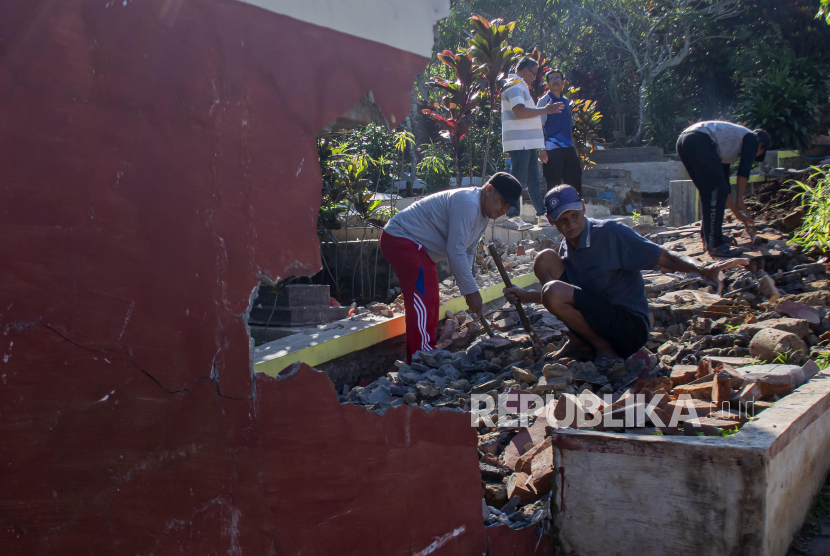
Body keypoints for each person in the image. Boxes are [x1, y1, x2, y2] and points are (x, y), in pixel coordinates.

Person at [503, 185, 748, 362]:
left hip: (628, 328)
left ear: (583, 207)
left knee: (553, 289)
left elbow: (664, 256)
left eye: (574, 216)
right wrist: (525, 295)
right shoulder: (568, 245)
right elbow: (571, 294)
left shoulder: (611, 233)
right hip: (599, 315)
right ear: (551, 221)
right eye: (562, 220)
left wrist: (702, 268)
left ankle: (603, 349)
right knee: (545, 260)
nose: (570, 224)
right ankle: (580, 340)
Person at [381, 173, 521, 363]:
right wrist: (471, 291)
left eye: (508, 206)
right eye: (502, 202)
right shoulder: (469, 204)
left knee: (430, 295)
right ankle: (421, 356)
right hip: (401, 238)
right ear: (489, 190)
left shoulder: (483, 216)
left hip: (419, 247)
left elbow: (468, 250)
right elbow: (455, 250)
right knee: (423, 295)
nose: (504, 209)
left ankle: (425, 350)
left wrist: (469, 288)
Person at [676, 121, 771, 257]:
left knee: (711, 191)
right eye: (758, 153)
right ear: (761, 146)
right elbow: (743, 171)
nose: (753, 156)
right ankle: (715, 244)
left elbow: (725, 188)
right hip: (699, 140)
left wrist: (737, 214)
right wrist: (740, 201)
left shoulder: (726, 146)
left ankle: (708, 237)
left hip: (684, 140)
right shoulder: (752, 139)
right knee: (715, 190)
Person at [501, 56, 564, 229]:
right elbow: (519, 112)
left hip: (527, 142)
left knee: (533, 180)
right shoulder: (514, 85)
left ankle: (542, 215)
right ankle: (512, 216)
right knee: (518, 179)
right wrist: (546, 109)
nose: (534, 77)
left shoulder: (521, 86)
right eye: (533, 73)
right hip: (519, 141)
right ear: (524, 69)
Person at [537, 69, 582, 194]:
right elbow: (539, 126)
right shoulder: (544, 101)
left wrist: (574, 147)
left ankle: (575, 211)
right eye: (552, 79)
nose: (555, 81)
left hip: (568, 148)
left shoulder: (566, 101)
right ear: (548, 83)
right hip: (552, 149)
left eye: (558, 78)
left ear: (563, 82)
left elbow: (569, 126)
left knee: (575, 183)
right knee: (553, 186)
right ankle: (553, 213)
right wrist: (541, 149)